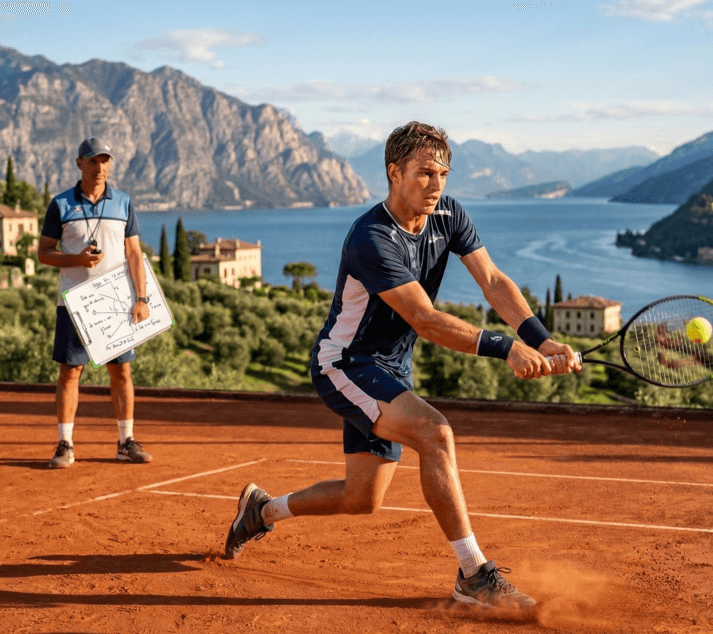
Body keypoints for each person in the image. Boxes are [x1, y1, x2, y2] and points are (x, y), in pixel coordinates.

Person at [224, 122, 581, 610]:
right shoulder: (371, 238)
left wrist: (541, 339)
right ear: (395, 173)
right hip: (345, 365)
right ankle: (473, 576)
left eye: (444, 175)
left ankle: (262, 511)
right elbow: (426, 319)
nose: (436, 186)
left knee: (361, 498)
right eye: (425, 174)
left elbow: (493, 280)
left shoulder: (447, 213)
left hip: (391, 368)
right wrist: (507, 349)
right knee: (436, 433)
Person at [38, 137, 152, 469]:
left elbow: (134, 253)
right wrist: (75, 259)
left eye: (105, 161)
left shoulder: (124, 203)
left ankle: (125, 441)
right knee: (70, 372)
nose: (99, 167)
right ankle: (65, 444)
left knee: (122, 371)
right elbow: (44, 253)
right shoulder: (60, 204)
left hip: (118, 303)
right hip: (74, 304)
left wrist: (142, 298)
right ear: (79, 164)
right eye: (92, 161)